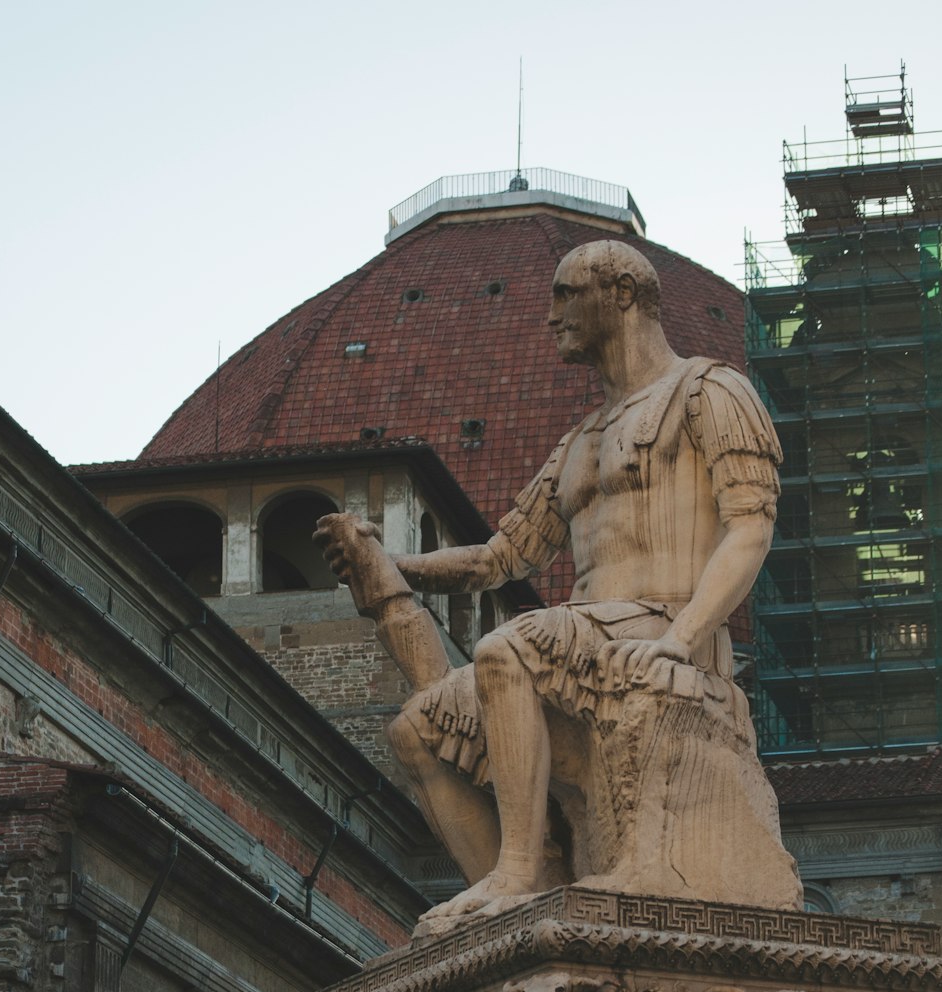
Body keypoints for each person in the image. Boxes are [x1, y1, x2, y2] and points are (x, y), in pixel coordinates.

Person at [318, 239, 801, 930]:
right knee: (415, 728)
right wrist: (390, 565)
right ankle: (523, 894)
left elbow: (750, 527)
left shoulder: (710, 391)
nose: (550, 315)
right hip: (587, 638)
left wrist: (680, 639)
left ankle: (515, 873)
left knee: (503, 650)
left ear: (624, 295)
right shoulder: (579, 441)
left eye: (565, 294)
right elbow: (497, 559)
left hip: (664, 624)